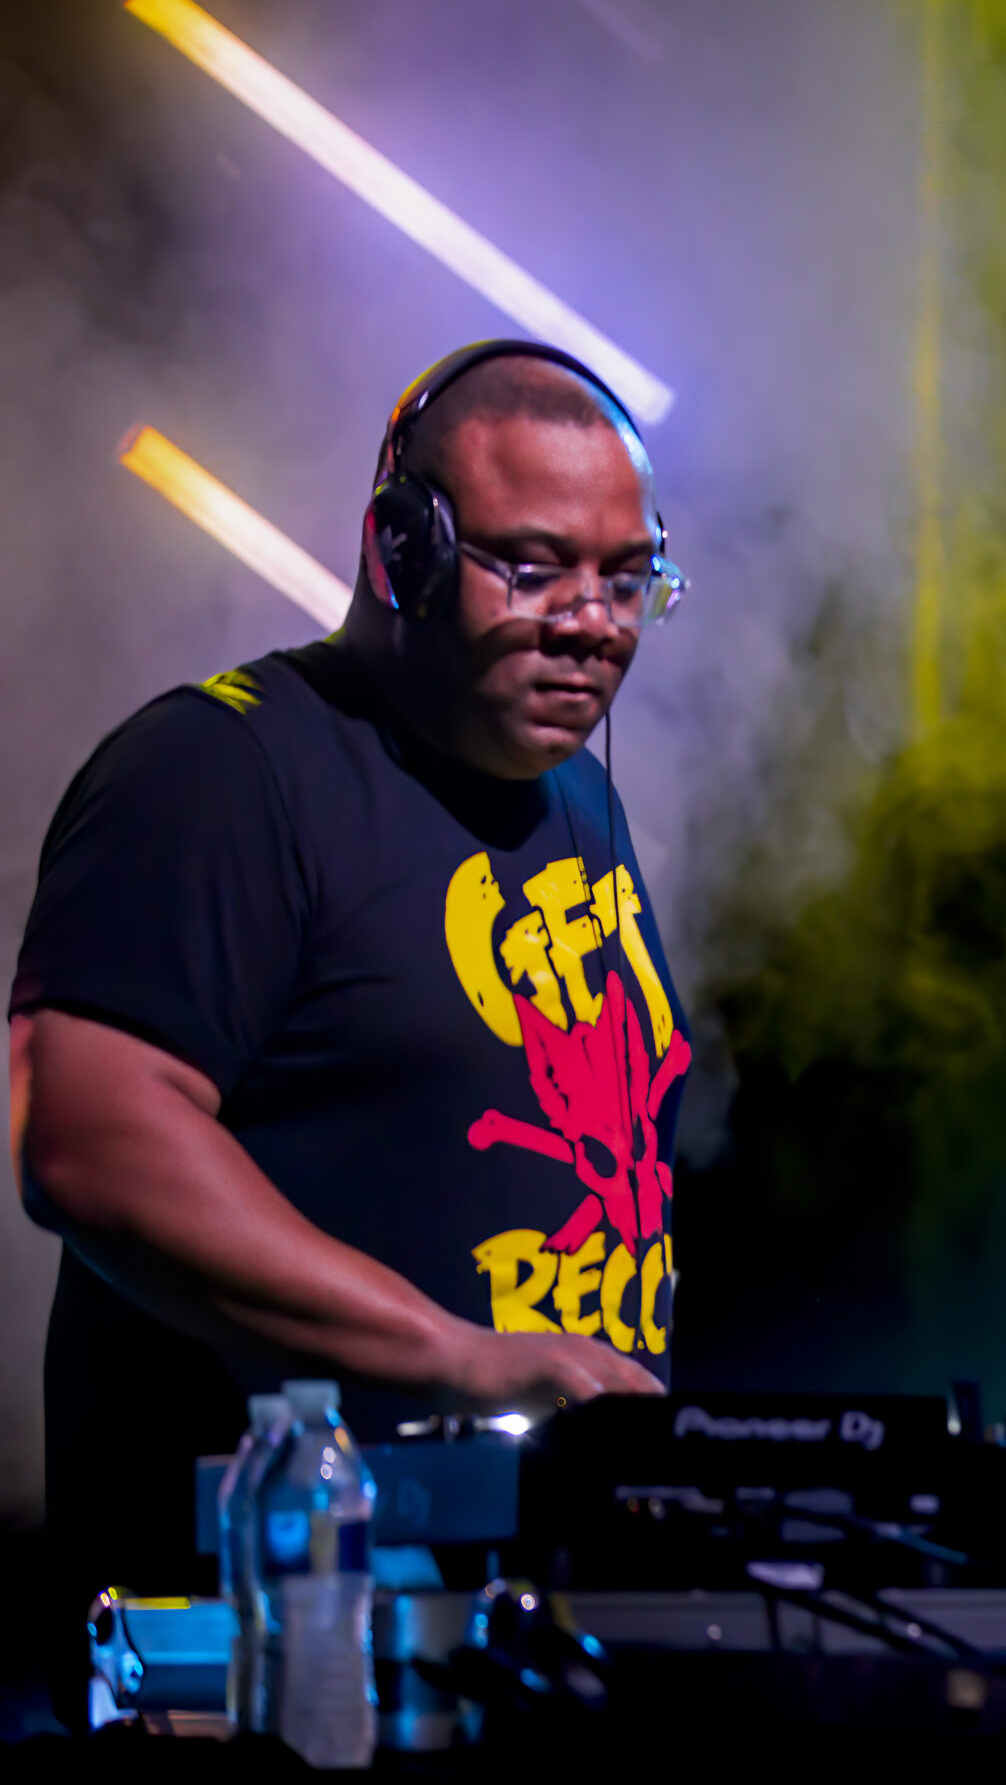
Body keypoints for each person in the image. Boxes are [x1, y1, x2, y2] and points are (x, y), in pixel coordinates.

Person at [11, 341, 689, 1624]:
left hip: (512, 1622)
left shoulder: (580, 805)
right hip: (257, 1632)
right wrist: (454, 1358)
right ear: (401, 550)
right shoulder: (219, 769)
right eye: (532, 568)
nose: (593, 623)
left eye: (626, 578)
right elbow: (86, 1138)